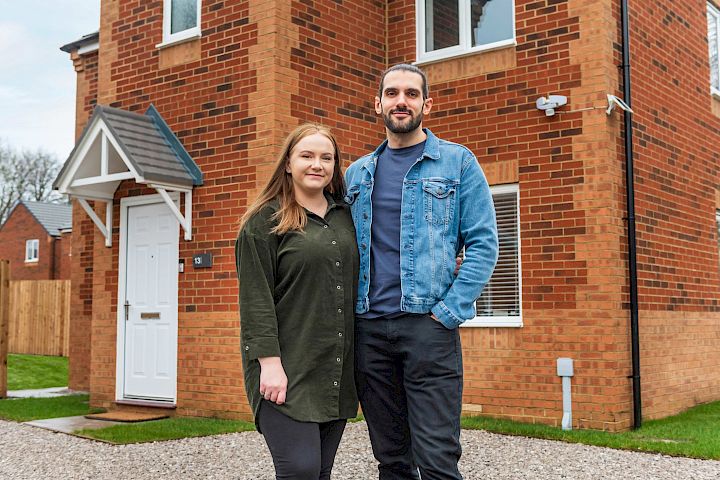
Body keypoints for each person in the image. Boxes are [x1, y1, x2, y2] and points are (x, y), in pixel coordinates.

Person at [344, 64, 499, 479]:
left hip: (427, 329)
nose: (401, 101)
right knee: (391, 458)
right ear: (377, 103)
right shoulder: (356, 174)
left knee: (437, 457)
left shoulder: (457, 162)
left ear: (426, 104)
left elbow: (484, 245)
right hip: (370, 332)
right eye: (392, 93)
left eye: (411, 94)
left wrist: (447, 312)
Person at [236, 124, 359, 480]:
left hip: (334, 369)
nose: (316, 164)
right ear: (288, 163)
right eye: (306, 155)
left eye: (326, 157)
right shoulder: (263, 222)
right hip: (284, 369)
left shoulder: (346, 218)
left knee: (320, 472)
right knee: (300, 470)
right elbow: (255, 300)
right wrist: (270, 365)